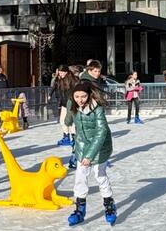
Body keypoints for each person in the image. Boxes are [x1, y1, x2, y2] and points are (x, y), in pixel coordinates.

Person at [67, 81, 117, 226]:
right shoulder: (74, 106)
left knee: (100, 175)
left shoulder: (97, 109)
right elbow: (70, 121)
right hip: (82, 146)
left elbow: (101, 132)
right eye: (77, 97)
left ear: (89, 95)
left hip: (100, 147)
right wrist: (68, 117)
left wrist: (90, 156)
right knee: (80, 176)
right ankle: (79, 209)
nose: (80, 100)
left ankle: (109, 205)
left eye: (83, 96)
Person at [51, 66, 78, 146]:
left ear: (66, 72)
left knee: (70, 121)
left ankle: (74, 138)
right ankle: (66, 136)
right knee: (62, 121)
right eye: (59, 72)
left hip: (71, 103)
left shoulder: (72, 80)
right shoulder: (60, 80)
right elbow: (56, 89)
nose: (60, 74)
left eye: (62, 72)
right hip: (64, 104)